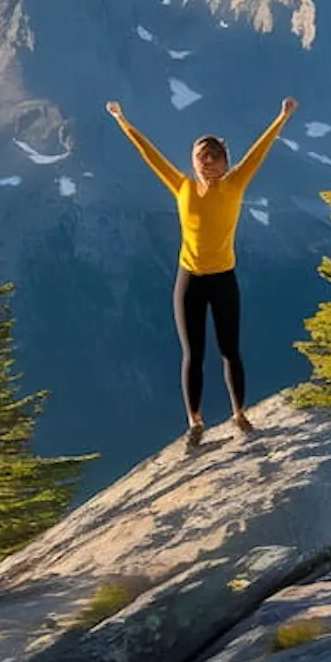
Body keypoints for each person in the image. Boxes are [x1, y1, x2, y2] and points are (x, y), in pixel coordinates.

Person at [105, 97, 298, 448]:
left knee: (230, 350)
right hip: (190, 279)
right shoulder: (182, 187)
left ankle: (239, 413)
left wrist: (282, 117)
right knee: (192, 353)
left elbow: (260, 150)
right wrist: (122, 120)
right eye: (201, 158)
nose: (207, 163)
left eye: (214, 157)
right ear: (194, 163)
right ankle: (195, 422)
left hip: (224, 279)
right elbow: (150, 155)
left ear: (225, 163)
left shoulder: (235, 184)